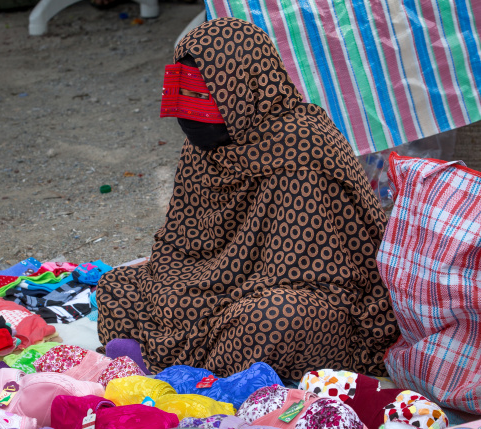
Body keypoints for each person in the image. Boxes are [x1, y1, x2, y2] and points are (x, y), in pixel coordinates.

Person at [97, 17, 400, 383]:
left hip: (315, 294)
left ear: (242, 87)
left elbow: (296, 269)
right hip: (222, 280)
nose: (187, 113)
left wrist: (206, 298)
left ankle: (177, 367)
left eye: (203, 96)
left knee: (270, 320)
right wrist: (183, 288)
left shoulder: (301, 145)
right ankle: (190, 366)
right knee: (117, 285)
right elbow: (179, 241)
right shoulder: (203, 148)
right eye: (184, 95)